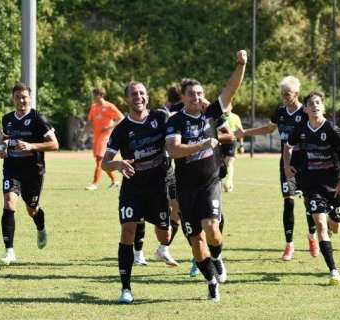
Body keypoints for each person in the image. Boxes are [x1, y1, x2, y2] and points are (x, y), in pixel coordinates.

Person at [165, 50, 247, 302]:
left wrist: (241, 64)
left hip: (210, 183)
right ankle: (211, 281)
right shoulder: (176, 120)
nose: (197, 97)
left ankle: (218, 257)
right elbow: (173, 149)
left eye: (200, 93)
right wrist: (201, 145)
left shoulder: (211, 112)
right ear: (184, 97)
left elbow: (230, 88)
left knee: (212, 230)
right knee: (196, 242)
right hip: (186, 188)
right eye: (192, 94)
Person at [101, 81, 177, 304]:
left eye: (142, 93)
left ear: (148, 97)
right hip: (132, 189)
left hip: (158, 187)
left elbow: (179, 128)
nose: (139, 97)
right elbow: (105, 163)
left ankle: (162, 249)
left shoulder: (161, 118)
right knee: (127, 233)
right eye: (134, 93)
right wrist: (118, 164)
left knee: (165, 235)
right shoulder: (122, 129)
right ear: (127, 99)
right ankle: (126, 289)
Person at [236, 76, 318, 261]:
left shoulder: (306, 113)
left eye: (287, 94)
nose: (284, 97)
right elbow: (268, 129)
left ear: (296, 94)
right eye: (282, 93)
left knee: (308, 202)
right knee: (288, 201)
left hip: (305, 163)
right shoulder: (280, 112)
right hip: (286, 162)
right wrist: (245, 133)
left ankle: (312, 237)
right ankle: (289, 245)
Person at [283, 91, 340, 285]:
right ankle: (333, 271)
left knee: (334, 226)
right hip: (312, 186)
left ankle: (330, 229)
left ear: (323, 107)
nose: (315, 106)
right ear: (305, 108)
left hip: (335, 186)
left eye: (318, 103)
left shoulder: (331, 129)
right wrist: (286, 165)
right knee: (321, 225)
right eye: (311, 103)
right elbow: (287, 145)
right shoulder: (301, 129)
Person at [0, 82, 59, 265]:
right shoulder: (7, 119)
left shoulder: (38, 118)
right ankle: (9, 252)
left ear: (30, 98)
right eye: (18, 97)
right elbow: (5, 140)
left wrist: (31, 146)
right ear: (13, 99)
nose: (21, 100)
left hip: (33, 171)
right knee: (9, 203)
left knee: (32, 210)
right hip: (12, 167)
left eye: (24, 97)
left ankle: (40, 227)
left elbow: (54, 144)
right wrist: (1, 149)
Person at [132, 85, 183, 268]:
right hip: (148, 173)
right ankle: (138, 253)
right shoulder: (163, 113)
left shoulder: (186, 113)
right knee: (142, 213)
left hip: (168, 171)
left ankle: (163, 248)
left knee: (178, 208)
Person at [85, 87, 124, 190]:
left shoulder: (109, 106)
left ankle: (94, 184)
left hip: (106, 137)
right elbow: (89, 121)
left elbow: (121, 118)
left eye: (95, 95)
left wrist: (109, 127)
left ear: (101, 95)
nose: (93, 97)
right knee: (103, 162)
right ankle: (115, 181)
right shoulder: (93, 107)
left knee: (100, 160)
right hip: (96, 137)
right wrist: (84, 133)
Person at [220, 110, 244, 192]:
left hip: (231, 142)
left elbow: (240, 131)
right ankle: (226, 183)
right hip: (221, 141)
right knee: (224, 163)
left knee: (229, 162)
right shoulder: (219, 116)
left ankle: (228, 183)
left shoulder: (235, 117)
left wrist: (241, 145)